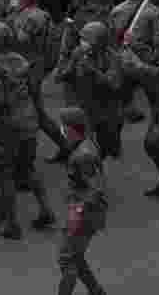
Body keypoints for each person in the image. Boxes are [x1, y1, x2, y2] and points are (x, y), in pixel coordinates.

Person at [56, 107, 108, 295]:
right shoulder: (83, 145)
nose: (60, 129)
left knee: (67, 258)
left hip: (85, 213)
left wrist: (77, 214)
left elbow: (96, 189)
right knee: (75, 256)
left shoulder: (83, 154)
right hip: (83, 210)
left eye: (63, 126)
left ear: (70, 129)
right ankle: (96, 291)